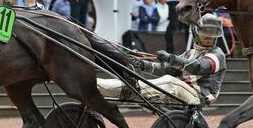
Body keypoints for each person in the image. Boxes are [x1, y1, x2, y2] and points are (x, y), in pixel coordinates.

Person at [97, 14, 226, 106]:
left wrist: (170, 58)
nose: (209, 37)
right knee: (143, 83)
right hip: (182, 91)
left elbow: (199, 67)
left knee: (170, 81)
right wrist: (143, 64)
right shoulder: (190, 53)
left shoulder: (217, 54)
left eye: (212, 35)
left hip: (199, 96)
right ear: (197, 33)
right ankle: (97, 85)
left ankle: (133, 91)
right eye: (205, 34)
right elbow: (166, 69)